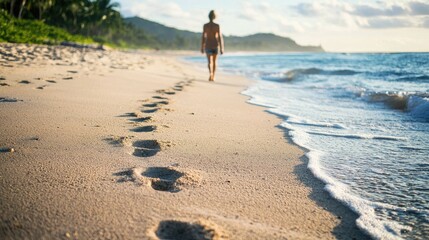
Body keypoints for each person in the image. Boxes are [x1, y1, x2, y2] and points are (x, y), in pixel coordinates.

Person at [201, 10, 224, 81]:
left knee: (209, 62)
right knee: (214, 62)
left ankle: (210, 74)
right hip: (215, 45)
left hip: (208, 45)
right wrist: (221, 48)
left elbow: (203, 37)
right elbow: (220, 37)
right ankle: (213, 76)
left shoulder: (205, 26)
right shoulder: (217, 26)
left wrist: (202, 46)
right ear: (214, 17)